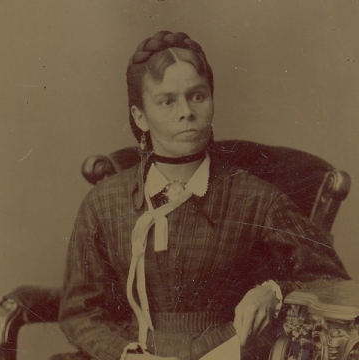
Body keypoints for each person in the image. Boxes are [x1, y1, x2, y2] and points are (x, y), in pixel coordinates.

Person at [58, 31, 349, 360]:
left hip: (229, 350)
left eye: (197, 96)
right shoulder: (105, 203)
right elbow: (80, 312)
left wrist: (273, 293)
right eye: (167, 101)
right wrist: (124, 354)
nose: (186, 112)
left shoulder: (256, 199)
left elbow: (330, 281)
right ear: (140, 116)